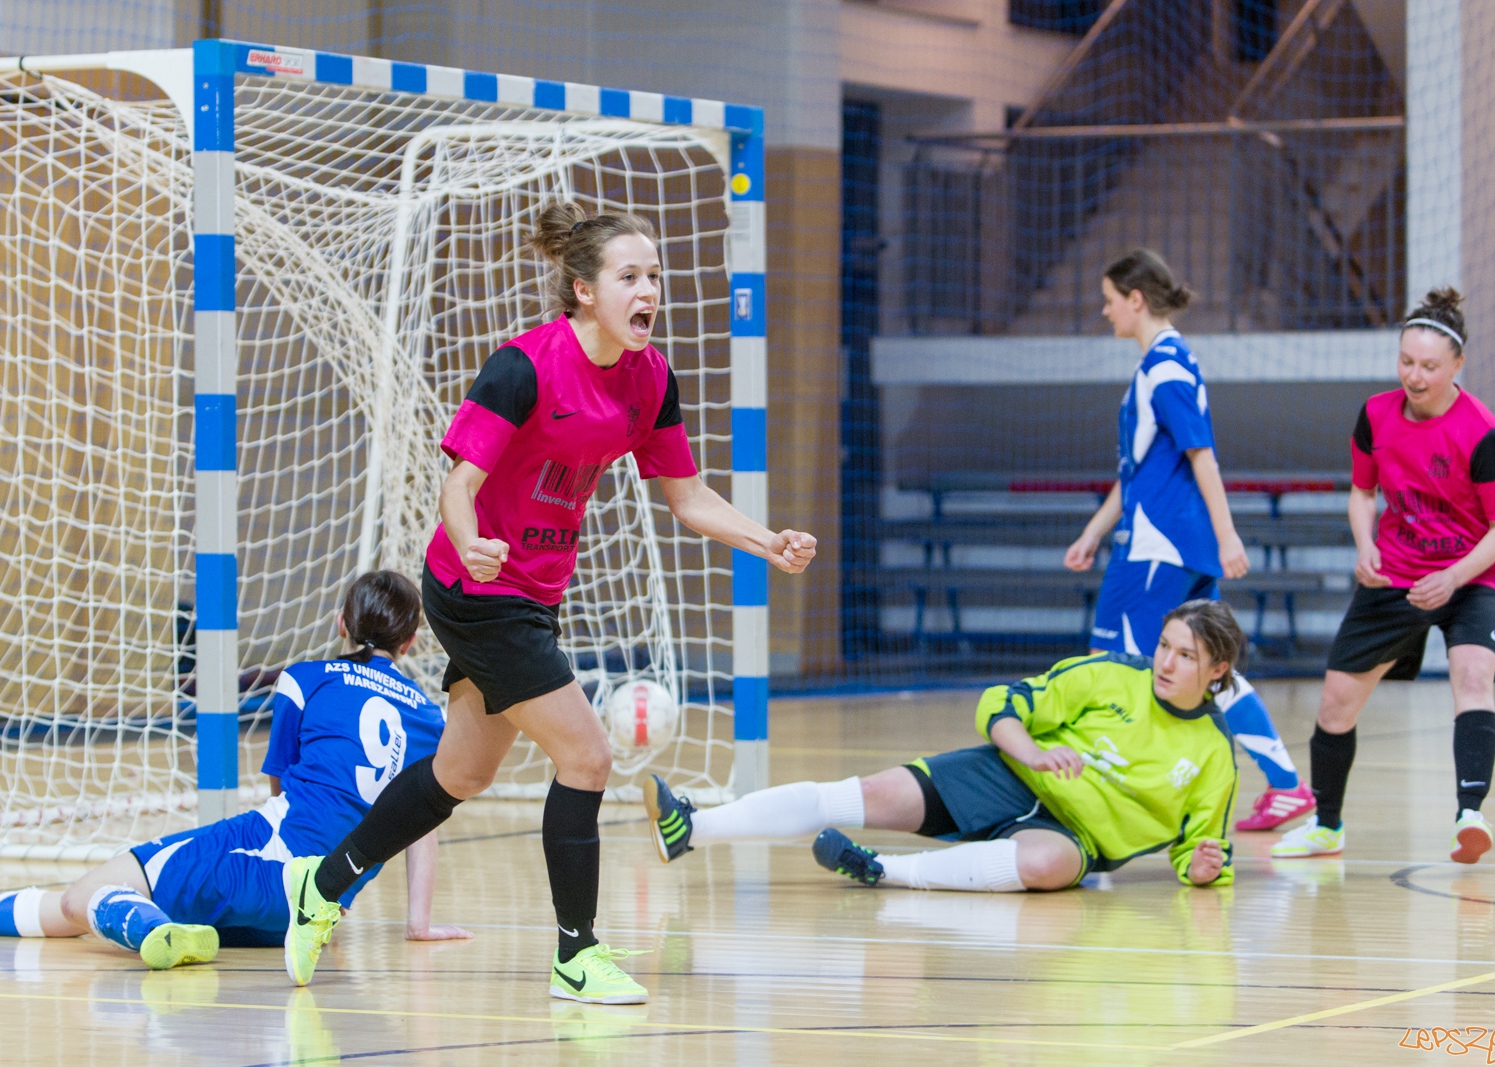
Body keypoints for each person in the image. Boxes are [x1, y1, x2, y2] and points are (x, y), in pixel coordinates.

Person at [281, 203, 817, 1001]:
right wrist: (468, 540)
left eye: (655, 276)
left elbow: (689, 494)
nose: (649, 291)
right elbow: (457, 485)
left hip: (535, 593)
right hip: (473, 585)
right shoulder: (523, 367)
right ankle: (576, 953)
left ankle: (321, 885)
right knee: (588, 755)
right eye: (629, 276)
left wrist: (765, 539)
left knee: (460, 772)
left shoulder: (651, 377)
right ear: (583, 290)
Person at [0, 571, 465, 968]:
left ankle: (150, 935)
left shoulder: (305, 679)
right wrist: (416, 924)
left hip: (266, 860)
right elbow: (421, 819)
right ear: (411, 641)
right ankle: (165, 927)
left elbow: (280, 786)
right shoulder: (430, 719)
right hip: (318, 908)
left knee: (79, 898)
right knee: (101, 902)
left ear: (341, 622)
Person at [647, 600, 1242, 892]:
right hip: (1008, 775)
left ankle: (882, 871)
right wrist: (1032, 756)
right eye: (1165, 645)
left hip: (1074, 837)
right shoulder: (1111, 675)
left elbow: (1198, 847)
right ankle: (693, 828)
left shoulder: (1214, 755)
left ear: (1218, 669)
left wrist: (1203, 868)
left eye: (1186, 655)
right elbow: (1001, 706)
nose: (1166, 662)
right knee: (872, 792)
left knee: (1047, 866)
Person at [1061, 248, 1311, 832]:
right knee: (1209, 669)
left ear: (1136, 299)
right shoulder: (1166, 362)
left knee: (1114, 669)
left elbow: (1203, 457)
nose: (1104, 312)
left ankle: (1103, 807)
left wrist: (1229, 536)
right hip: (1173, 542)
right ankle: (1285, 786)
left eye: (1109, 300)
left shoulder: (1165, 369)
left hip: (1159, 548)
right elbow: (1143, 471)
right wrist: (1093, 533)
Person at [1273, 288, 1495, 864]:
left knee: (1473, 680)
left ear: (1457, 365)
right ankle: (1326, 826)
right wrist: (1365, 547)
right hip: (1396, 578)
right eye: (1406, 361)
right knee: (1335, 706)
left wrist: (1453, 578)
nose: (1414, 375)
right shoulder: (1377, 415)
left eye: (1429, 366)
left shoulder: (1483, 434)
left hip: (1472, 576)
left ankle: (1469, 815)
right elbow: (1362, 493)